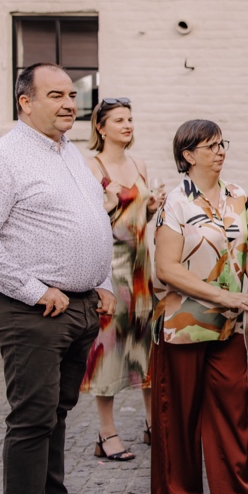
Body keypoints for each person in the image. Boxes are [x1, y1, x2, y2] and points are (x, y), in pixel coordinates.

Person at [0, 63, 118, 494]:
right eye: (56, 95)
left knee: (56, 413)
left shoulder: (69, 153)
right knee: (30, 420)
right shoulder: (0, 160)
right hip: (31, 311)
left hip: (79, 307)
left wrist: (104, 284)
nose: (70, 103)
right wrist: (33, 289)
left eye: (73, 94)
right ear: (25, 102)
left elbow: (93, 225)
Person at [149, 120, 248, 494]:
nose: (220, 151)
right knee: (180, 413)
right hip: (183, 324)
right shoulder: (174, 203)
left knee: (234, 407)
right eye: (210, 146)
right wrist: (223, 296)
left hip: (230, 323)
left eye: (223, 144)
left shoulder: (237, 195)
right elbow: (166, 268)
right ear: (188, 156)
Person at [81, 96, 162, 460]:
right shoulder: (89, 167)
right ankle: (106, 433)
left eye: (130, 118)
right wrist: (107, 205)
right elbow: (82, 224)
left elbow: (143, 217)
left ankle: (152, 423)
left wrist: (152, 206)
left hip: (142, 271)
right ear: (101, 127)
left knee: (147, 348)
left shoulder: (139, 163)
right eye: (119, 120)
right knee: (109, 351)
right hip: (111, 272)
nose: (128, 125)